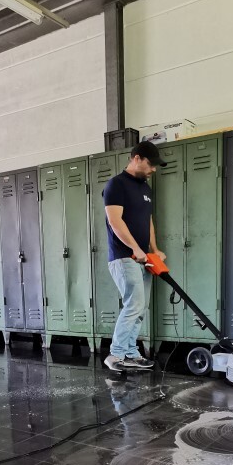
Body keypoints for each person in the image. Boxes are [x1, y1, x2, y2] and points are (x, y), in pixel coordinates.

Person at [102, 140, 167, 373]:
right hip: (124, 257)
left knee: (141, 308)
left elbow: (147, 221)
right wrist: (134, 248)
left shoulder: (145, 189)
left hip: (143, 258)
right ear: (136, 158)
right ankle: (116, 354)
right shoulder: (115, 185)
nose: (154, 170)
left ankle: (130, 353)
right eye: (151, 164)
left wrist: (153, 248)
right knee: (134, 304)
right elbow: (115, 221)